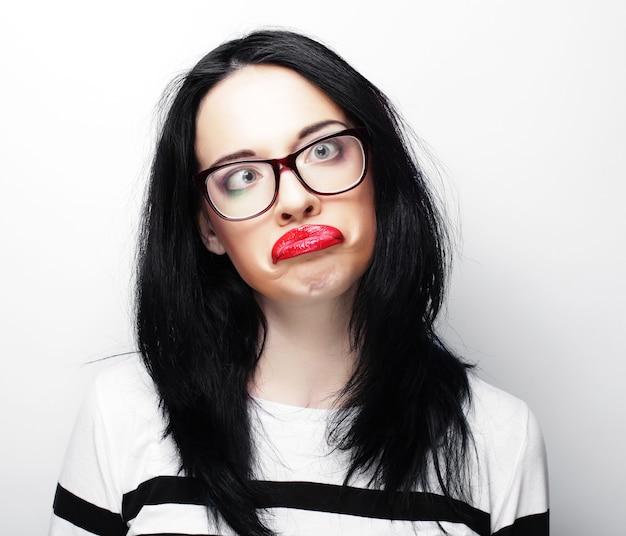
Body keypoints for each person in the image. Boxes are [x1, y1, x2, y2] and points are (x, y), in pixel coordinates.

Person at [50, 30, 549, 536]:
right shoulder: (122, 413)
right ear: (208, 228)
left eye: (324, 149)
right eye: (241, 176)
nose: (294, 201)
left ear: (378, 168)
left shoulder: (499, 436)